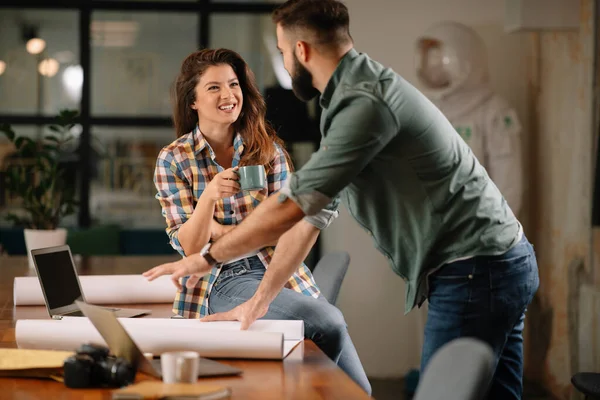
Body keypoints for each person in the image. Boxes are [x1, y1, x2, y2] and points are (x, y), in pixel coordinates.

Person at [144, 2, 539, 399]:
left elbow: (294, 207)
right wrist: (257, 297)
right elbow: (312, 212)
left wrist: (211, 256)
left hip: (473, 268)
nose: (282, 61)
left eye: (281, 51)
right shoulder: (346, 97)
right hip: (501, 259)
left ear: (301, 51)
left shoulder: (362, 104)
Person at [151, 48, 370, 394]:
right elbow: (191, 245)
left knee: (325, 328)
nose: (228, 95)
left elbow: (284, 226)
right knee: (327, 320)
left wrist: (221, 231)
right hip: (223, 278)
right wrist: (208, 198)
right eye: (213, 88)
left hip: (278, 269)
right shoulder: (173, 159)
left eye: (233, 84)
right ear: (192, 100)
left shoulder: (269, 151)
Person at [415, 21, 524, 216]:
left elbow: (509, 184)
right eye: (430, 57)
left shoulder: (494, 111)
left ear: (465, 60)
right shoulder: (426, 111)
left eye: (440, 58)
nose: (434, 66)